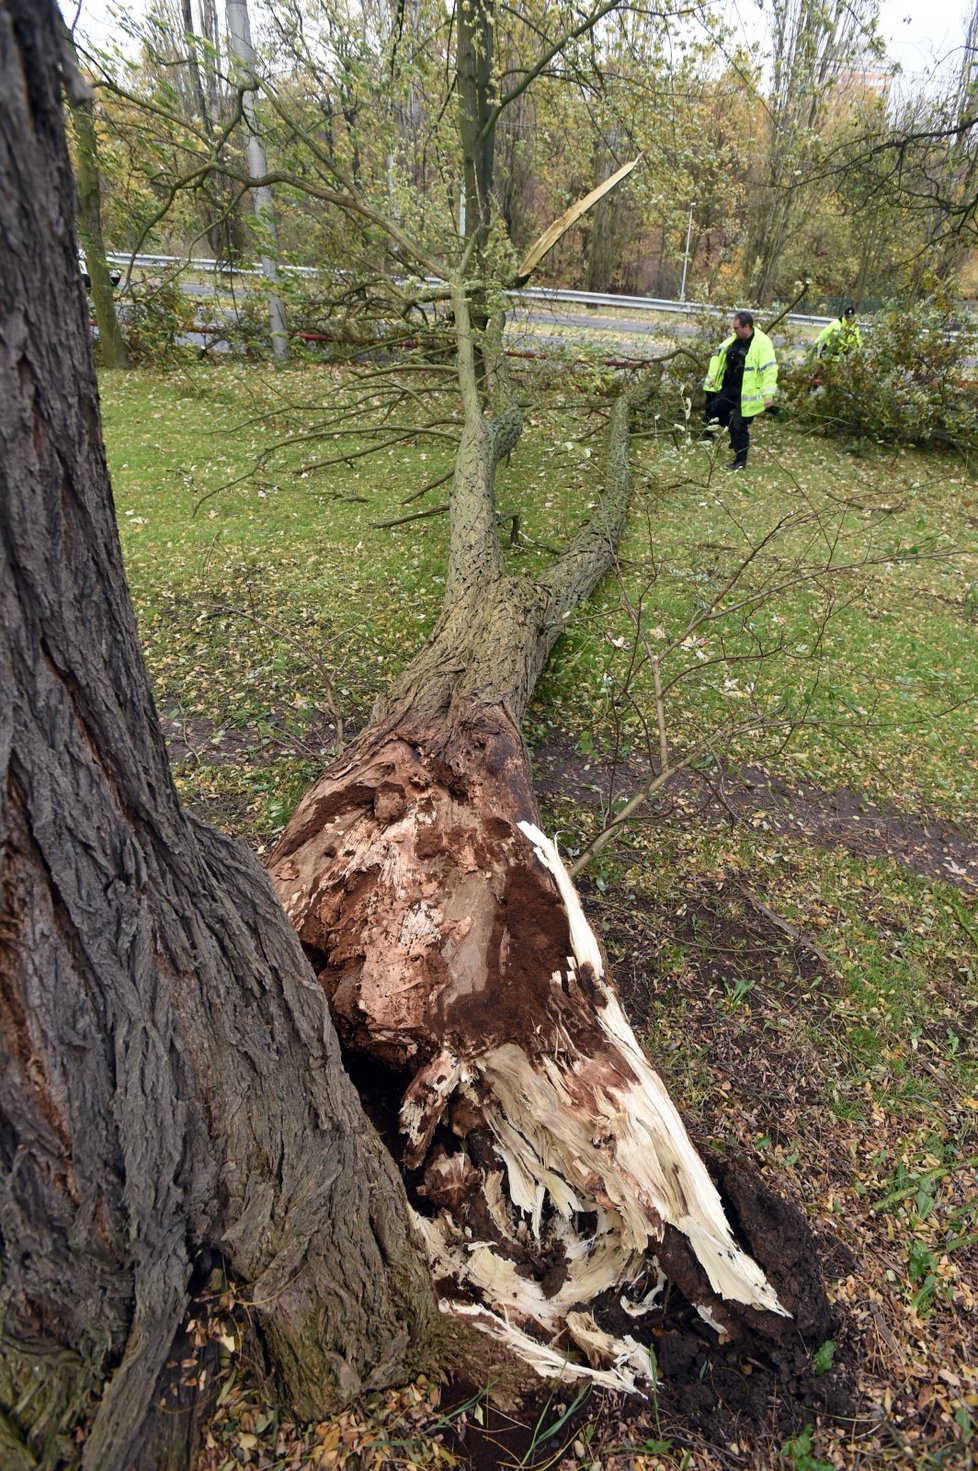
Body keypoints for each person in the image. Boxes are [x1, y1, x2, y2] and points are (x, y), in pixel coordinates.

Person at [701, 310, 778, 472]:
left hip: (749, 391)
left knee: (739, 424)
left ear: (746, 326)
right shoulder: (733, 340)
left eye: (736, 328)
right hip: (731, 386)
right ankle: (735, 436)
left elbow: (769, 370)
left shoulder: (762, 343)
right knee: (714, 411)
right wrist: (713, 377)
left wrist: (768, 395)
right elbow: (718, 358)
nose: (733, 330)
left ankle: (740, 460)